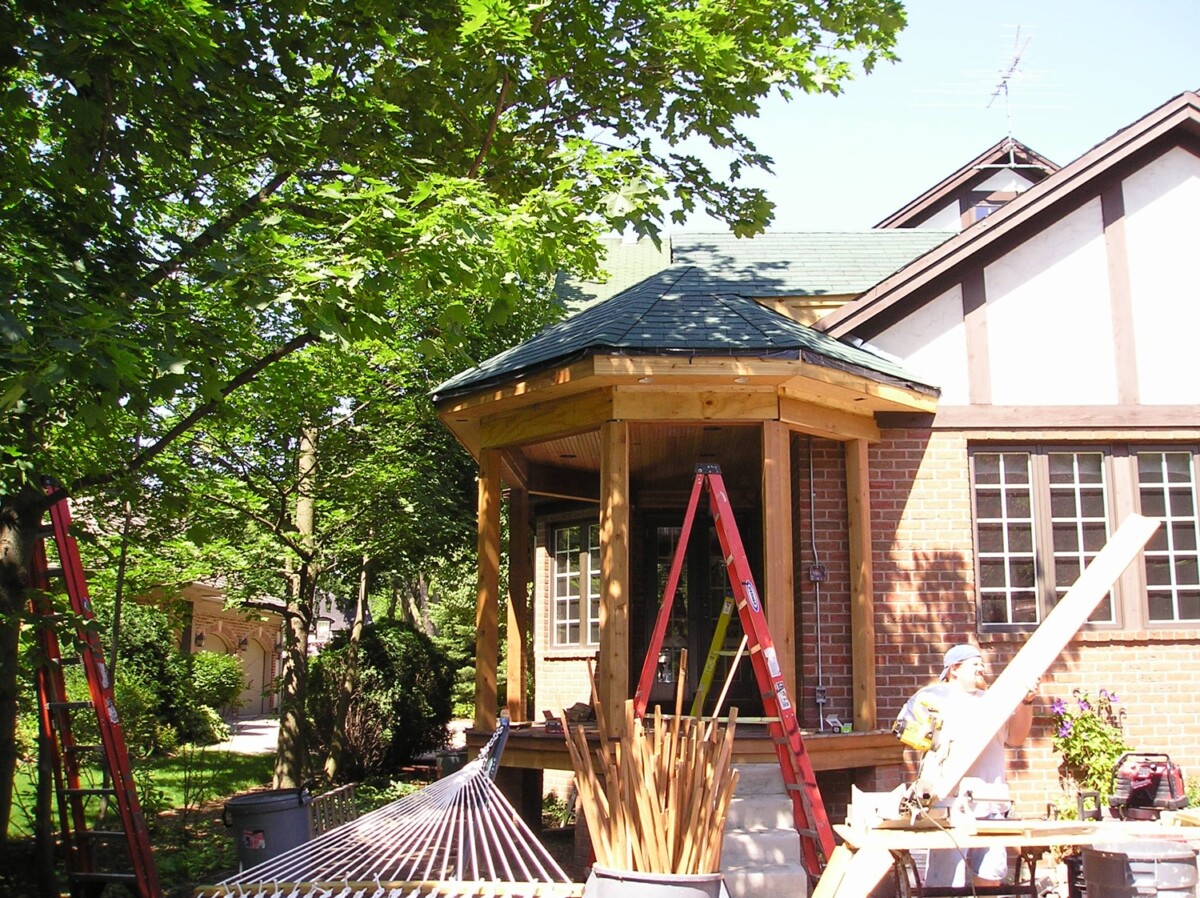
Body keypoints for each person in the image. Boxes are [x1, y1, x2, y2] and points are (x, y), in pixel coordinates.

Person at [920, 643, 1037, 889]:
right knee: (945, 886)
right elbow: (918, 740)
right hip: (949, 806)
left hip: (991, 802)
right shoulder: (935, 701)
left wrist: (1025, 703)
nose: (982, 668)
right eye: (975, 663)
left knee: (990, 879)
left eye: (982, 663)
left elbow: (1016, 738)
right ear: (954, 669)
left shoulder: (994, 703)